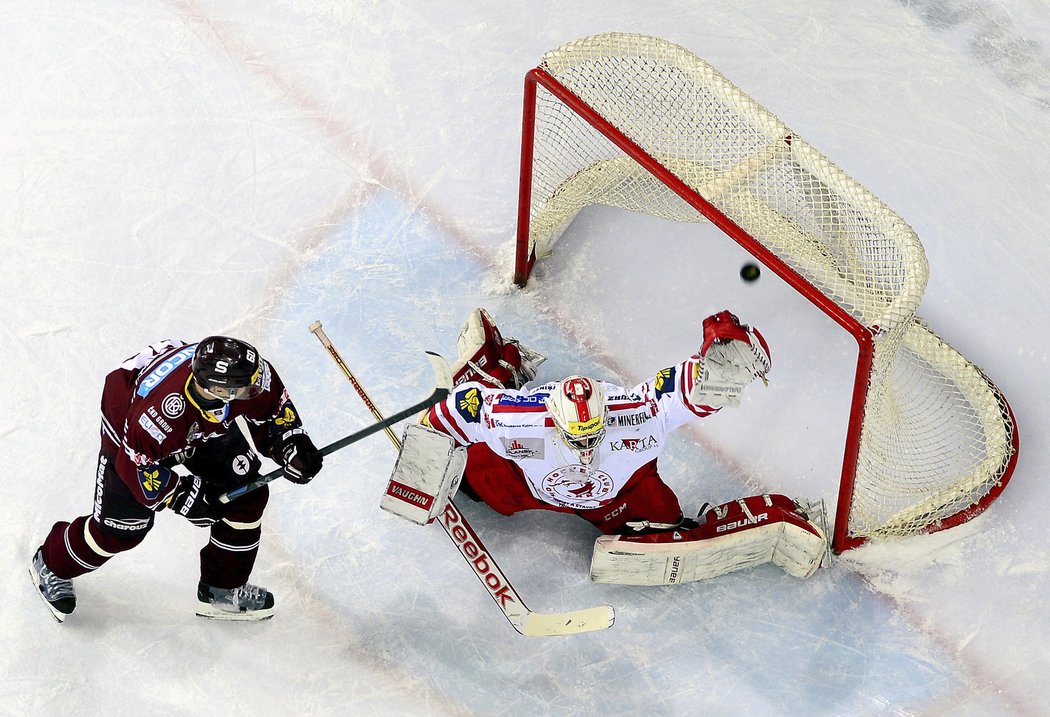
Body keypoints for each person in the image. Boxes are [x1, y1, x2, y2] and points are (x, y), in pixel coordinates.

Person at [396, 308, 827, 586]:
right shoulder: (519, 418)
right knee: (475, 488)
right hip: (527, 485)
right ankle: (492, 358)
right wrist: (422, 469)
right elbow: (457, 411)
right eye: (576, 438)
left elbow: (683, 391)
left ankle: (776, 519)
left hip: (620, 496)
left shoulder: (636, 414)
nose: (585, 450)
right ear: (556, 421)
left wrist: (720, 368)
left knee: (666, 535)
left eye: (593, 435)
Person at [29, 336, 323, 622]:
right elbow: (137, 469)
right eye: (248, 388)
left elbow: (273, 411)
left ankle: (221, 588)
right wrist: (188, 498)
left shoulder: (249, 372)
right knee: (121, 531)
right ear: (219, 390)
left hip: (194, 424)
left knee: (246, 495)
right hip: (129, 427)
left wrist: (291, 445)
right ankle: (52, 563)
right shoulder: (155, 418)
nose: (258, 386)